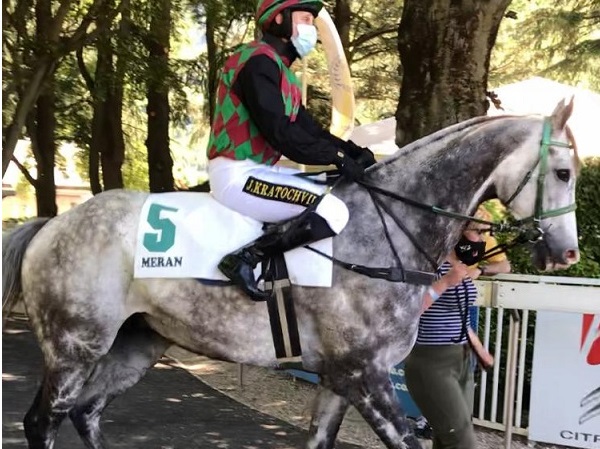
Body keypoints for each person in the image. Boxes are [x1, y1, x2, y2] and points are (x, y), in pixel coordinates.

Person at [206, 0, 375, 301]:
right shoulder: (256, 62)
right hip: (236, 175)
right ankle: (245, 258)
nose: (312, 30)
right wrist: (336, 158)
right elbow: (282, 133)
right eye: (305, 19)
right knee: (332, 210)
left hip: (258, 172)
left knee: (335, 191)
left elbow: (309, 131)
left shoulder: (284, 75)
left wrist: (351, 151)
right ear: (279, 18)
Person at [406, 218, 510, 449]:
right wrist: (444, 283)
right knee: (463, 443)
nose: (483, 240)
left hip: (462, 359)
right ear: (457, 231)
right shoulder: (427, 264)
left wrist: (479, 349)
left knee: (446, 441)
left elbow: (460, 317)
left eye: (486, 233)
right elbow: (409, 310)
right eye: (478, 232)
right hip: (431, 362)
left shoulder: (463, 267)